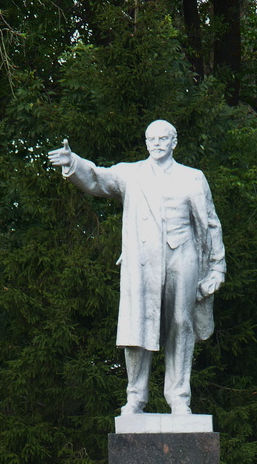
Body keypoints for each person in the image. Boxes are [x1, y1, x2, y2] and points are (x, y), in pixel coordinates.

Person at [48, 120, 226, 415]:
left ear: (174, 142)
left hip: (182, 255)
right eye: (151, 139)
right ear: (146, 143)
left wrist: (217, 267)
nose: (156, 144)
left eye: (163, 138)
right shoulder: (131, 173)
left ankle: (179, 397)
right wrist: (73, 162)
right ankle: (136, 397)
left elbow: (210, 222)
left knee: (181, 323)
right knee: (138, 327)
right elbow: (97, 178)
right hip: (143, 260)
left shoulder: (193, 177)